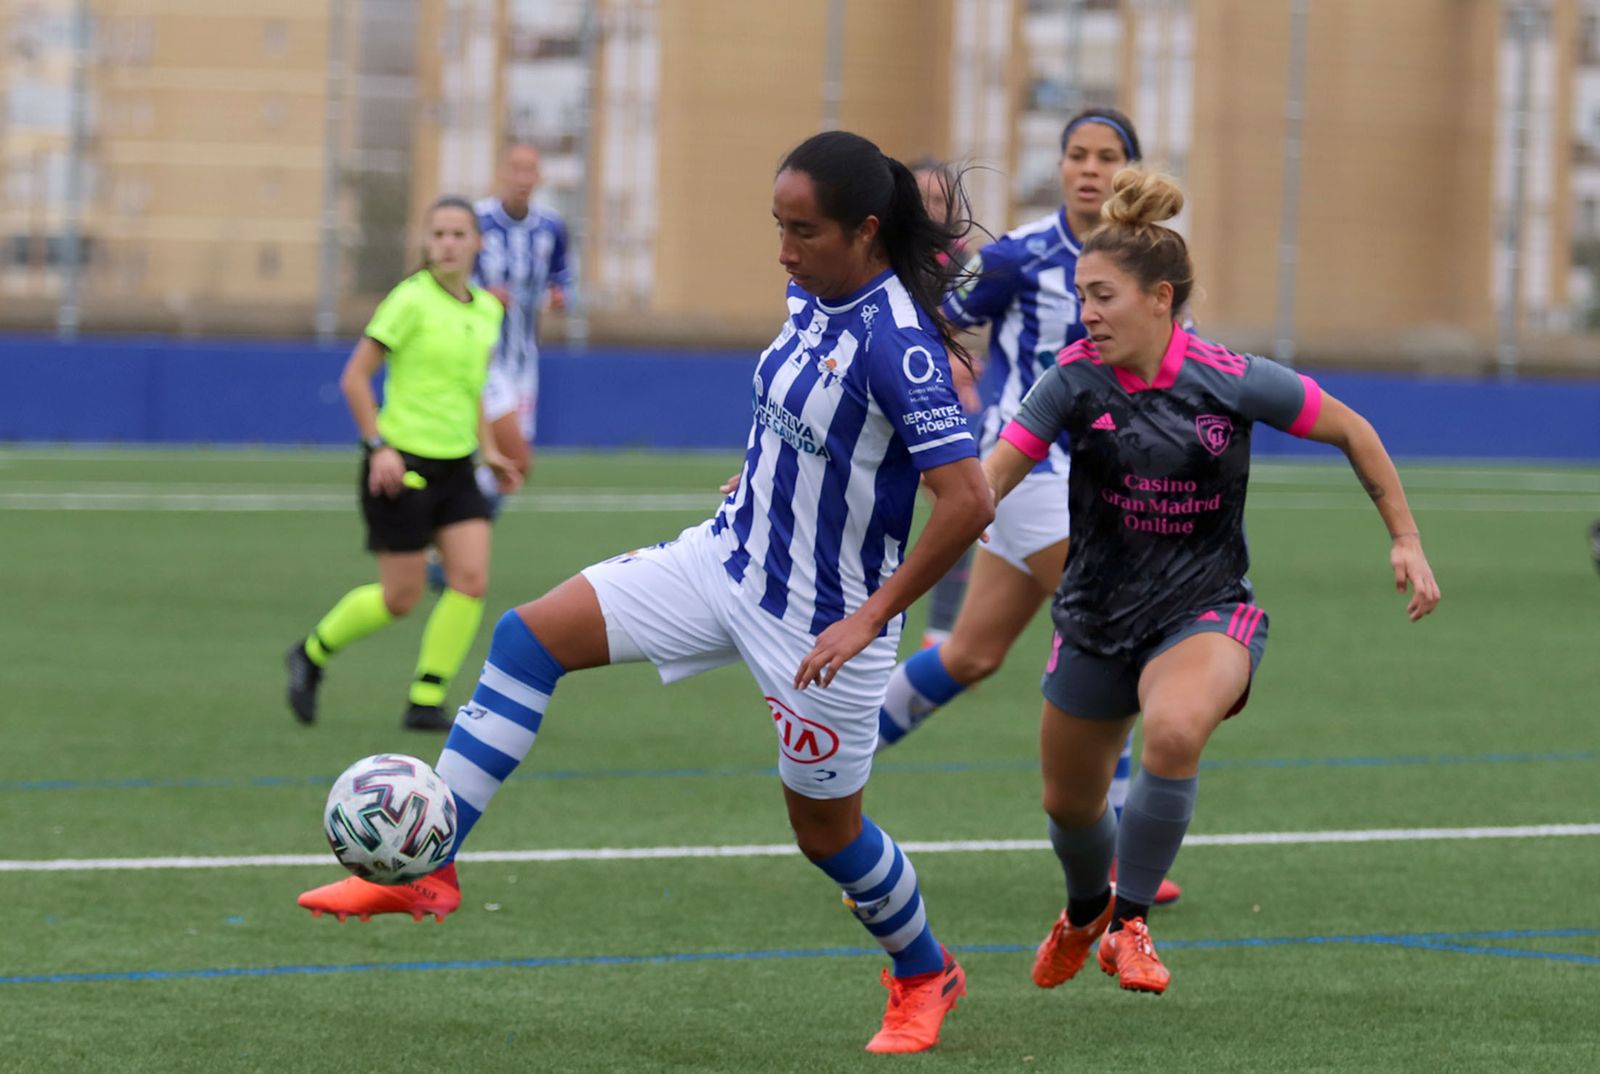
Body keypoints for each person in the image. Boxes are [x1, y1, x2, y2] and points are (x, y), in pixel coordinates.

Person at [296, 130, 995, 1055]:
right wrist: (761, 479)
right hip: (725, 562)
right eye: (776, 226)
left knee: (828, 834)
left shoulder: (898, 346)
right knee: (526, 637)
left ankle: (923, 971)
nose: (784, 250)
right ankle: (432, 859)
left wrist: (868, 619)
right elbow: (798, 418)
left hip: (822, 624)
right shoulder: (809, 291)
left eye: (804, 232)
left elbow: (968, 500)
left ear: (866, 233)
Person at [985, 167, 1440, 995]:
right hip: (1092, 618)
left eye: (1103, 296)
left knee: (1175, 728)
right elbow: (987, 482)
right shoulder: (1072, 380)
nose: (1087, 313)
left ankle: (1128, 925)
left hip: (1204, 612)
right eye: (1081, 295)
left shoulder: (1229, 378)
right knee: (1069, 806)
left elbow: (1351, 427)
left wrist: (1405, 538)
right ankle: (1087, 909)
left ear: (1160, 298)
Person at [878, 109, 1182, 906]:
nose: (1089, 168)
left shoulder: (1151, 262)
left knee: (971, 654)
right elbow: (929, 314)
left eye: (1107, 156)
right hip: (1031, 472)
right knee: (1122, 625)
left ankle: (834, 756)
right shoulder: (1021, 255)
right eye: (1076, 154)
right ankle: (1116, 845)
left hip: (1107, 482)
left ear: (1130, 168)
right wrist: (938, 374)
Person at [284, 196, 522, 732]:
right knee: (401, 597)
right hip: (402, 465)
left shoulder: (487, 309)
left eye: (459, 234)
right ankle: (310, 653)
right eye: (438, 234)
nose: (448, 244)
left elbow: (473, 389)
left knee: (471, 579)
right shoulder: (408, 301)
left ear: (477, 243)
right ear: (426, 243)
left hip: (458, 465)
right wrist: (379, 447)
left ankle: (425, 698)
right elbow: (354, 379)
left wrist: (488, 450)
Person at [425, 144, 571, 591]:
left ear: (538, 177)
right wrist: (483, 295)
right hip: (483, 359)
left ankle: (449, 540)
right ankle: (448, 546)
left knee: (512, 468)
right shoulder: (478, 223)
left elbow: (564, 278)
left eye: (530, 169)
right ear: (501, 173)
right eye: (515, 168)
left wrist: (560, 296)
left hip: (523, 360)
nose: (522, 177)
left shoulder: (551, 228)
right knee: (504, 457)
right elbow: (449, 278)